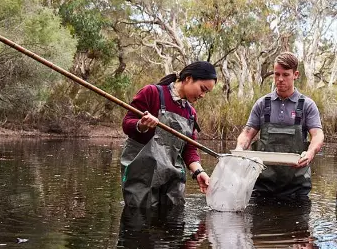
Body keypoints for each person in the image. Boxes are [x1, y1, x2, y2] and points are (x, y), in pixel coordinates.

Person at [120, 61, 216, 209]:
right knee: (140, 220)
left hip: (171, 181)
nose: (203, 95)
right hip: (142, 175)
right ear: (188, 78)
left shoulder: (190, 113)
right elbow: (127, 124)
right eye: (202, 89)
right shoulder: (152, 93)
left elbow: (189, 149)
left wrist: (199, 172)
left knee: (172, 218)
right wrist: (143, 124)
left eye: (206, 92)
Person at [234, 52, 324, 199]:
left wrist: (310, 153)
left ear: (295, 74)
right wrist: (239, 150)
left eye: (285, 75)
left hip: (297, 187)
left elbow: (318, 135)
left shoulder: (307, 105)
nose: (280, 79)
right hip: (262, 186)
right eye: (277, 74)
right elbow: (247, 133)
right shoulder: (262, 104)